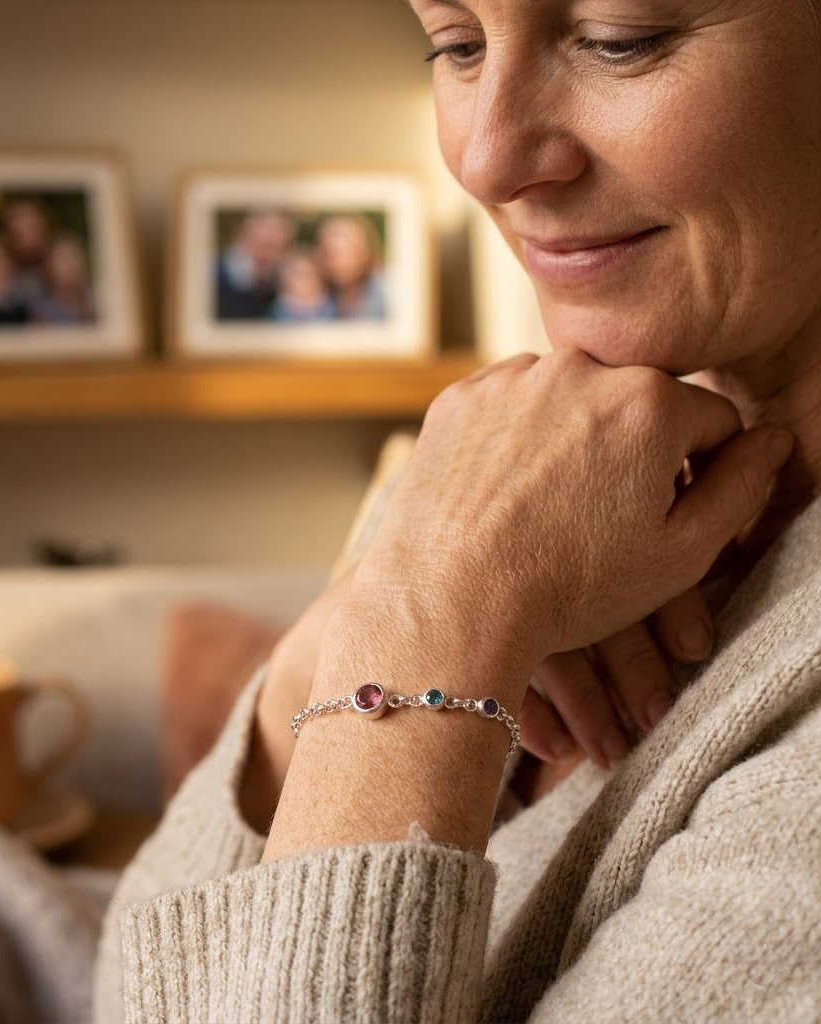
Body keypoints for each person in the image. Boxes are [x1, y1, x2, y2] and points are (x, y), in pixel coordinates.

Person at [96, 1, 821, 1021]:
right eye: (458, 46)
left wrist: (424, 627)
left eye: (619, 38)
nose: (485, 160)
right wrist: (355, 633)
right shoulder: (501, 469)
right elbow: (132, 999)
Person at [215, 208, 295, 319]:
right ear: (242, 233)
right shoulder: (215, 278)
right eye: (266, 227)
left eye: (281, 230)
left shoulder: (281, 282)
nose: (275, 237)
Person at [315, 213, 387, 319]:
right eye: (328, 254)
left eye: (340, 253)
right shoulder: (321, 295)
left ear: (364, 252)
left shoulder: (385, 291)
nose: (336, 263)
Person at [30, 235, 97, 324]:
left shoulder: (99, 297)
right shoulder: (41, 308)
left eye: (73, 258)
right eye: (63, 261)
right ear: (50, 267)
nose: (70, 266)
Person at [271, 246, 337, 322]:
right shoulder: (277, 309)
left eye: (307, 274)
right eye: (296, 274)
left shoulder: (329, 308)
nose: (302, 279)